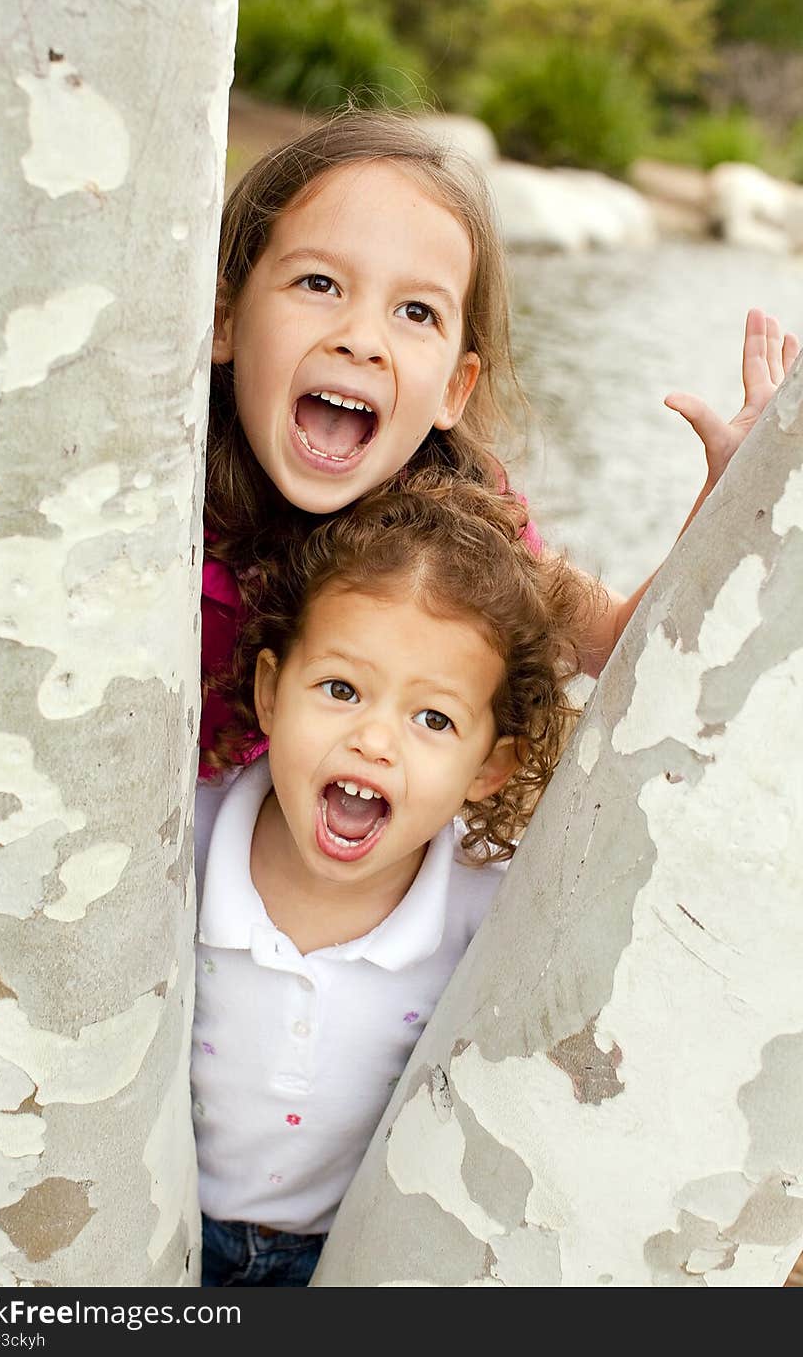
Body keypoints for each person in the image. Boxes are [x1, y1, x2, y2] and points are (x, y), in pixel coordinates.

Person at [198, 108, 799, 779]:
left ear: (455, 388)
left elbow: (618, 643)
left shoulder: (469, 540)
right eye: (319, 283)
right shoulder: (154, 497)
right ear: (224, 319)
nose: (361, 339)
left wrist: (733, 497)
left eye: (416, 312)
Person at [192, 478, 599, 1286]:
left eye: (433, 720)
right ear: (272, 692)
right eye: (340, 690)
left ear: (490, 767)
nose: (376, 739)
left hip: (347, 1251)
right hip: (161, 1222)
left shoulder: (490, 910)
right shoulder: (183, 848)